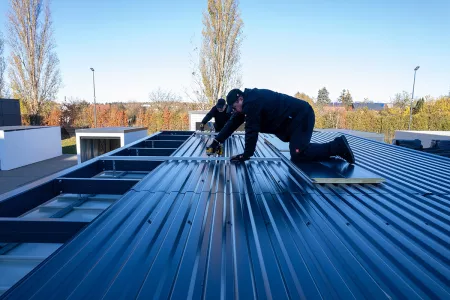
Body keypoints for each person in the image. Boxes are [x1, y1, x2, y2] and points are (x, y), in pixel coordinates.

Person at [206, 88, 355, 164]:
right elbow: (232, 123)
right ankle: (329, 148)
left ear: (240, 98)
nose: (235, 111)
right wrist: (217, 141)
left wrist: (246, 155)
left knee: (298, 154)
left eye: (234, 107)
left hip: (301, 116)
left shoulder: (253, 102)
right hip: (291, 122)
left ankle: (338, 146)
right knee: (298, 152)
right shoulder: (247, 103)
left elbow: (251, 130)